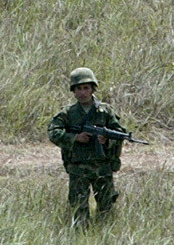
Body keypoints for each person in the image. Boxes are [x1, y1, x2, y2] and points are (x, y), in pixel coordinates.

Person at [48, 67, 128, 228]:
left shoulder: (105, 111)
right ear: (73, 90)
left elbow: (119, 133)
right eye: (79, 88)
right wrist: (75, 138)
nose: (83, 92)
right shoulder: (69, 113)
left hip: (102, 167)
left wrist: (107, 140)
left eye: (86, 88)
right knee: (79, 208)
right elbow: (53, 132)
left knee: (106, 208)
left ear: (92, 88)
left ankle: (104, 236)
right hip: (78, 168)